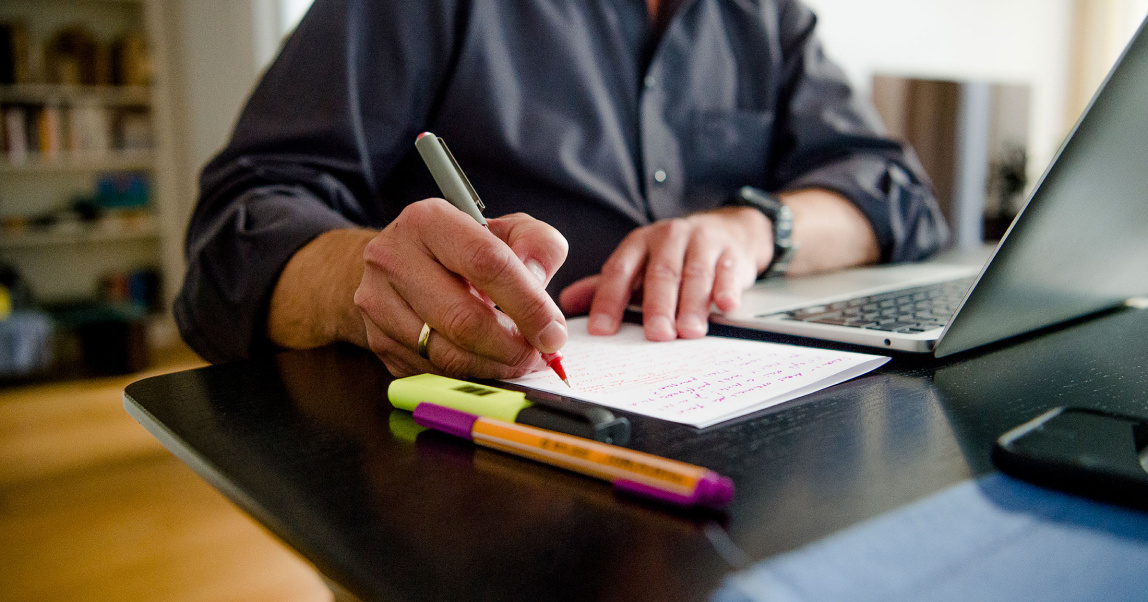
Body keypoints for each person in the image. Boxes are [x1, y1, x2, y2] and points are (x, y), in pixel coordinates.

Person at [175, 0, 948, 380]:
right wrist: (362, 279)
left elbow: (893, 191)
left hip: (735, 435)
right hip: (466, 475)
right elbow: (236, 228)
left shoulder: (767, 13)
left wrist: (754, 229)